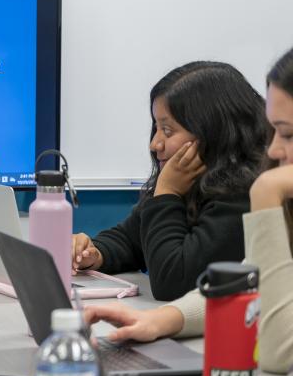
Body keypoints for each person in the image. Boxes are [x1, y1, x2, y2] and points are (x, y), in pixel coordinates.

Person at [72, 62, 268, 300]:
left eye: (167, 130)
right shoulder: (191, 182)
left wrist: (167, 192)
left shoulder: (244, 196)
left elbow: (173, 283)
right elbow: (130, 239)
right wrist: (95, 252)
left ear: (212, 132)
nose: (155, 144)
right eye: (156, 128)